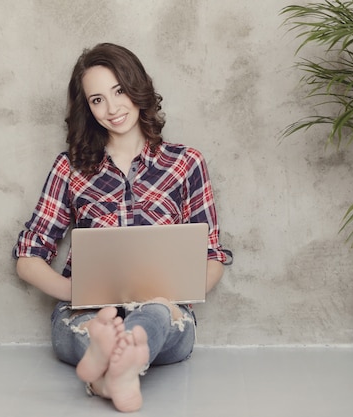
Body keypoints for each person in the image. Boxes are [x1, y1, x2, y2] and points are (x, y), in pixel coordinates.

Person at [12, 43, 231, 413]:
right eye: (97, 100)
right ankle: (116, 367)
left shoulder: (186, 163)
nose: (112, 108)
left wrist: (178, 296)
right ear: (87, 108)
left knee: (157, 315)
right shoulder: (70, 169)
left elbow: (213, 256)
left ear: (138, 88)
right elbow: (27, 257)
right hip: (87, 313)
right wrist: (74, 290)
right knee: (86, 327)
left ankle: (105, 373)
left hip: (167, 313)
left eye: (119, 91)